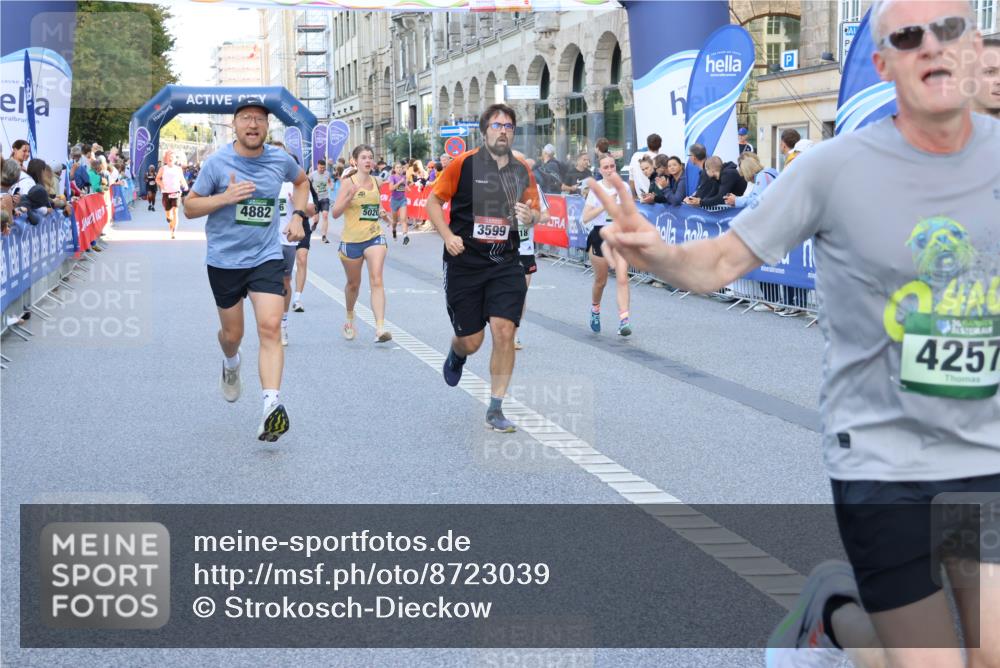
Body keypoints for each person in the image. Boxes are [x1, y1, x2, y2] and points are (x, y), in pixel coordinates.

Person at [591, 2, 999, 666]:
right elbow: (721, 262)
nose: (931, 47)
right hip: (882, 458)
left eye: (949, 29)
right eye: (908, 37)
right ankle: (833, 617)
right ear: (883, 63)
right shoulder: (832, 169)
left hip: (984, 458)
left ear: (974, 45)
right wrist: (658, 252)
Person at [183, 99, 310, 442]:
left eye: (259, 119)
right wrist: (225, 198)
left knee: (270, 327)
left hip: (265, 256)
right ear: (235, 126)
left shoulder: (279, 159)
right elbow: (190, 207)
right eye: (245, 119)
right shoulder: (217, 163)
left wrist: (298, 216)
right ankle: (230, 362)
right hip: (224, 259)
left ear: (267, 127)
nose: (252, 125)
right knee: (233, 335)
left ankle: (271, 406)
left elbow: (302, 182)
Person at [427, 103, 542, 433]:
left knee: (504, 331)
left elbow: (536, 212)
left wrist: (530, 216)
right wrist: (448, 235)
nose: (503, 130)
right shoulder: (463, 165)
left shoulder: (521, 169)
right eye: (496, 125)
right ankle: (457, 351)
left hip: (505, 261)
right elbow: (434, 201)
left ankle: (495, 407)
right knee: (473, 341)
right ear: (484, 131)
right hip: (465, 262)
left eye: (508, 126)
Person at [330, 144, 393, 343]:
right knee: (353, 284)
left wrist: (381, 212)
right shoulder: (348, 182)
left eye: (370, 157)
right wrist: (350, 196)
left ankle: (380, 328)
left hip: (374, 236)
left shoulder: (377, 181)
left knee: (377, 279)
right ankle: (349, 316)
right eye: (364, 157)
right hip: (351, 240)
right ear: (354, 161)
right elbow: (336, 212)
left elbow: (373, 204)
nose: (368, 160)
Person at [583, 154, 632, 337]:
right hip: (600, 235)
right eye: (606, 167)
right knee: (600, 281)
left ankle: (624, 320)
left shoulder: (624, 187)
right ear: (600, 170)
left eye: (612, 166)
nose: (610, 170)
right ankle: (595, 310)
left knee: (622, 278)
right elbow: (586, 217)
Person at [276, 167, 316, 347]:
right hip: (264, 241)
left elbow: (311, 210)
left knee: (284, 281)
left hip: (287, 240)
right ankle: (269, 325)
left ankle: (283, 324)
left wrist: (297, 207)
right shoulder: (260, 180)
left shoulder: (295, 184)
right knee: (265, 284)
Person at [156, 150, 188, 239]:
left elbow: (182, 179)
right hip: (166, 193)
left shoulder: (178, 169)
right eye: (168, 157)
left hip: (176, 192)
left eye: (172, 157)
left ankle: (173, 232)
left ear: (174, 159)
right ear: (166, 159)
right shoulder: (163, 169)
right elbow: (157, 179)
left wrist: (185, 185)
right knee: (168, 214)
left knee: (175, 212)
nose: (170, 158)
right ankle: (169, 220)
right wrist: (162, 185)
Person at [627, 133, 663, 199]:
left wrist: (634, 197)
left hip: (641, 200)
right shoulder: (660, 160)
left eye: (647, 168)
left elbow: (631, 180)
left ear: (647, 144)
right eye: (643, 169)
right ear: (660, 145)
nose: (645, 171)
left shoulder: (635, 156)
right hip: (656, 200)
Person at [310, 159, 333, 243]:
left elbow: (329, 181)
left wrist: (331, 185)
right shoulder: (312, 175)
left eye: (324, 168)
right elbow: (307, 184)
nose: (322, 169)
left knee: (325, 216)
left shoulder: (327, 174)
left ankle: (324, 236)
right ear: (317, 166)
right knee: (316, 219)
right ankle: (315, 223)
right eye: (321, 168)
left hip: (325, 197)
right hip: (316, 199)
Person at [387, 161, 409, 245]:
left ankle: (405, 236)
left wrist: (407, 187)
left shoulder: (404, 177)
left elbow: (405, 187)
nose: (399, 169)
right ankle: (394, 230)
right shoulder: (392, 177)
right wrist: (400, 182)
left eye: (400, 167)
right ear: (394, 169)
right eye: (397, 167)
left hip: (402, 199)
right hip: (394, 201)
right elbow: (391, 188)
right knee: (395, 221)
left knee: (403, 219)